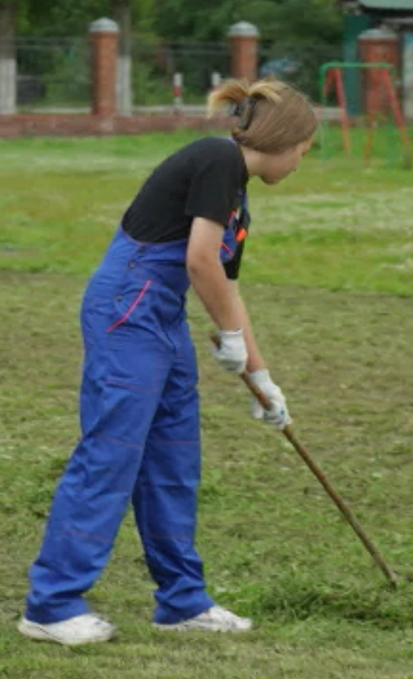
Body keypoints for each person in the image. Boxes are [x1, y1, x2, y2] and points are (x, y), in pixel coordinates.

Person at [19, 79, 318, 646]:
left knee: (173, 459)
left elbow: (226, 285)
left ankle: (182, 601)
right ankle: (50, 605)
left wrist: (261, 376)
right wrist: (228, 336)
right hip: (126, 311)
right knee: (111, 455)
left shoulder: (237, 195)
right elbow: (199, 260)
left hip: (162, 316)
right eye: (305, 148)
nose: (303, 161)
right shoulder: (216, 159)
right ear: (286, 140)